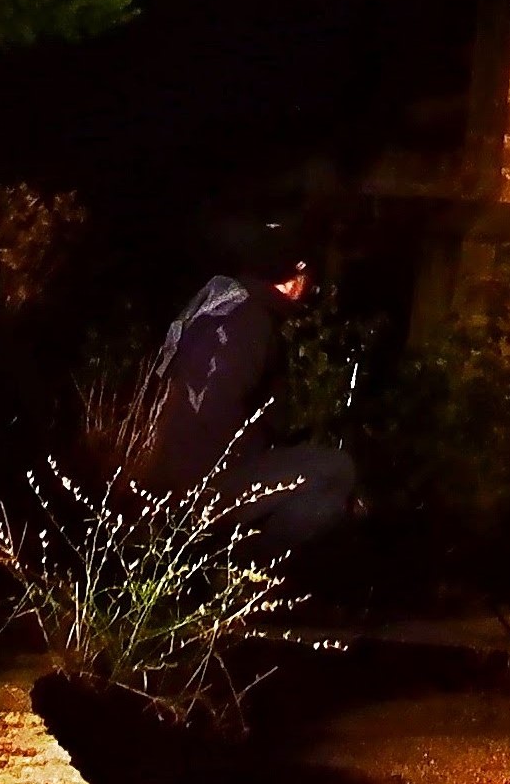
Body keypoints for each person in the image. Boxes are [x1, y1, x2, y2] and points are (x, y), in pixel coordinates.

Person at [126, 222, 360, 549]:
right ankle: (250, 564)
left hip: (166, 477)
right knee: (338, 470)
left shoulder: (221, 301)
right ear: (296, 280)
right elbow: (214, 408)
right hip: (198, 488)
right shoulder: (251, 324)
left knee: (313, 469)